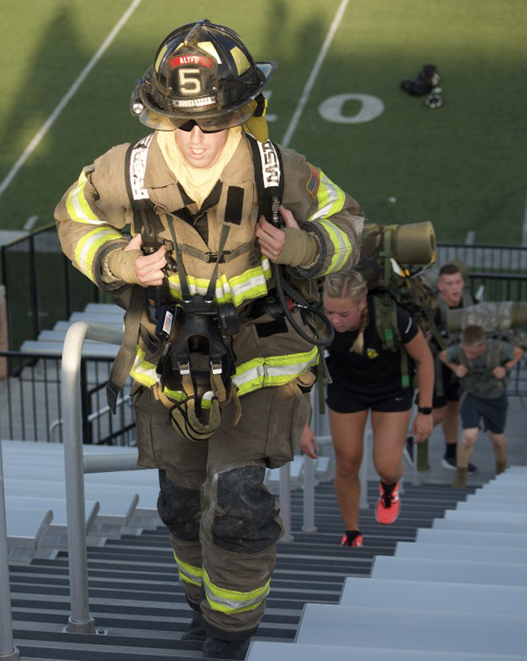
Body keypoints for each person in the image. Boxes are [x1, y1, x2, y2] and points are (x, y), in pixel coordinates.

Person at [54, 19, 363, 659]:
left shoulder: (279, 170)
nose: (197, 138)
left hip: (260, 356)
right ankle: (202, 604)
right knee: (180, 501)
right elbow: (75, 218)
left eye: (216, 120)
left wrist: (301, 246)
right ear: (161, 114)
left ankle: (230, 637)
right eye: (183, 122)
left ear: (244, 111)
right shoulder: (126, 171)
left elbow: (349, 222)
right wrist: (117, 262)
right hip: (167, 361)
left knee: (240, 505)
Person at [300, 270, 434, 547]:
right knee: (347, 462)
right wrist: (301, 423)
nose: (334, 320)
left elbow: (424, 360)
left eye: (343, 314)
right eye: (329, 311)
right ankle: (352, 530)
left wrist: (425, 412)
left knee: (386, 466)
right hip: (347, 389)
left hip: (392, 390)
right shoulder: (319, 322)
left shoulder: (394, 317)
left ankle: (389, 488)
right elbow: (298, 370)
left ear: (362, 304)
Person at [409, 263, 478, 474]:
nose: (455, 287)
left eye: (458, 282)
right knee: (437, 410)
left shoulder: (470, 302)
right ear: (440, 286)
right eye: (449, 283)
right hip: (436, 365)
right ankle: (410, 440)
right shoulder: (434, 308)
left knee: (454, 407)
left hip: (457, 363)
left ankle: (450, 453)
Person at [439, 324, 524, 488]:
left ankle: (500, 469)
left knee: (497, 439)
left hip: (495, 395)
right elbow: (443, 355)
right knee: (469, 436)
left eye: (473, 352)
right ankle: (461, 476)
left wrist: (505, 367)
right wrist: (456, 367)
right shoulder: (460, 350)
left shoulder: (499, 348)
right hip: (471, 393)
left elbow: (518, 352)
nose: (468, 355)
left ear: (483, 346)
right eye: (466, 351)